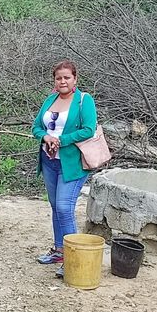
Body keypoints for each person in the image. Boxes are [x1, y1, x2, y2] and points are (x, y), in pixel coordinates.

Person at [32, 60, 97, 277]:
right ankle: (59, 250)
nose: (62, 81)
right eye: (58, 78)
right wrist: (46, 137)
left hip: (72, 163)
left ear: (75, 79)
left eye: (67, 77)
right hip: (49, 161)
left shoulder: (84, 100)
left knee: (64, 207)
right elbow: (36, 127)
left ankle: (73, 258)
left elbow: (89, 129)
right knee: (55, 206)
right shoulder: (50, 100)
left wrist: (62, 140)